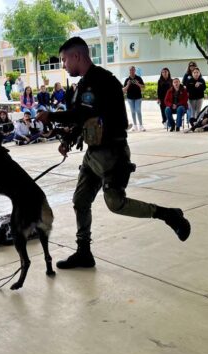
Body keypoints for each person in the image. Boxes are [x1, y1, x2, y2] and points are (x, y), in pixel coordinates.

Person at [35, 37, 191, 269]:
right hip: (94, 153)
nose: (64, 65)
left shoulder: (101, 81)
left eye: (65, 59)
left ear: (77, 56)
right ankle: (84, 252)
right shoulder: (87, 82)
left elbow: (81, 113)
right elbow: (88, 118)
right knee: (80, 200)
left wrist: (52, 116)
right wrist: (68, 139)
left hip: (112, 154)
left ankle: (169, 215)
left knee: (115, 203)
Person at [122, 65, 145, 132]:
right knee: (132, 112)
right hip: (130, 98)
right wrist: (128, 85)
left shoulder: (139, 78)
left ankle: (141, 125)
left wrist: (138, 84)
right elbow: (124, 90)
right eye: (130, 70)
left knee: (138, 110)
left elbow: (143, 87)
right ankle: (135, 126)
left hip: (138, 97)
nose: (132, 71)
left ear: (135, 70)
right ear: (129, 71)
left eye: (133, 70)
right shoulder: (127, 79)